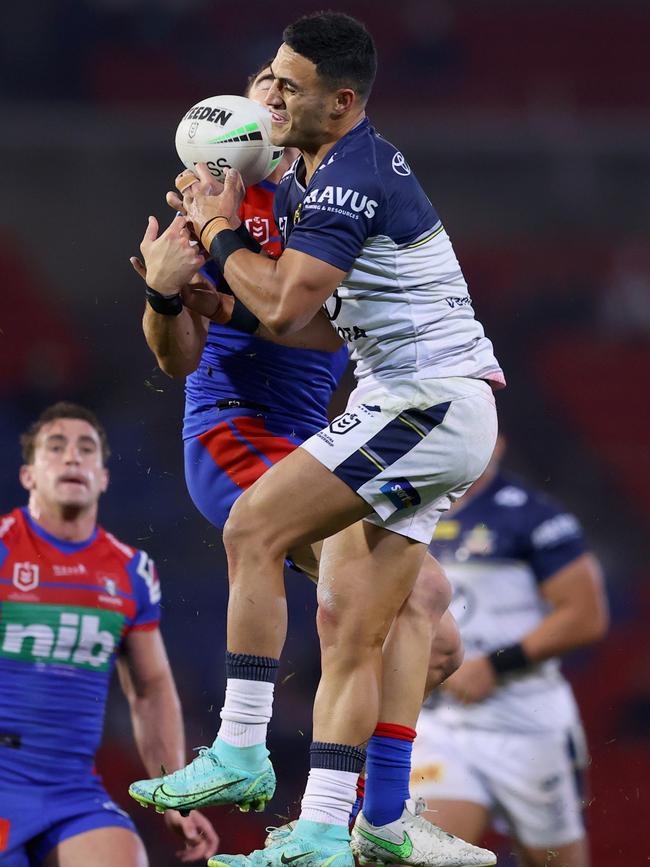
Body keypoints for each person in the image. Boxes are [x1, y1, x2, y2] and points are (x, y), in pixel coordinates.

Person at [131, 12, 504, 867]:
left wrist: (227, 250)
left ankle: (294, 783)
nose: (270, 92)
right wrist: (172, 293)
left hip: (397, 411)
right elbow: (193, 349)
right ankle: (329, 812)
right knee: (328, 590)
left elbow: (295, 314)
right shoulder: (259, 185)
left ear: (330, 103)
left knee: (406, 615)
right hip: (264, 428)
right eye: (265, 76)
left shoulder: (326, 185)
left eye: (285, 83)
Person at [0, 403, 218, 867]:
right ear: (28, 476)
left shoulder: (130, 573)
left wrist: (172, 793)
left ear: (102, 477)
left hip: (70, 787)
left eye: (86, 450)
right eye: (55, 448)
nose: (72, 458)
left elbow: (151, 689)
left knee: (124, 857)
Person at [411, 437, 609, 867]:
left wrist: (496, 665)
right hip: (440, 723)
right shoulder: (411, 514)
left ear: (496, 445)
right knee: (426, 858)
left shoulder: (532, 515)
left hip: (526, 721)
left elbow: (585, 615)